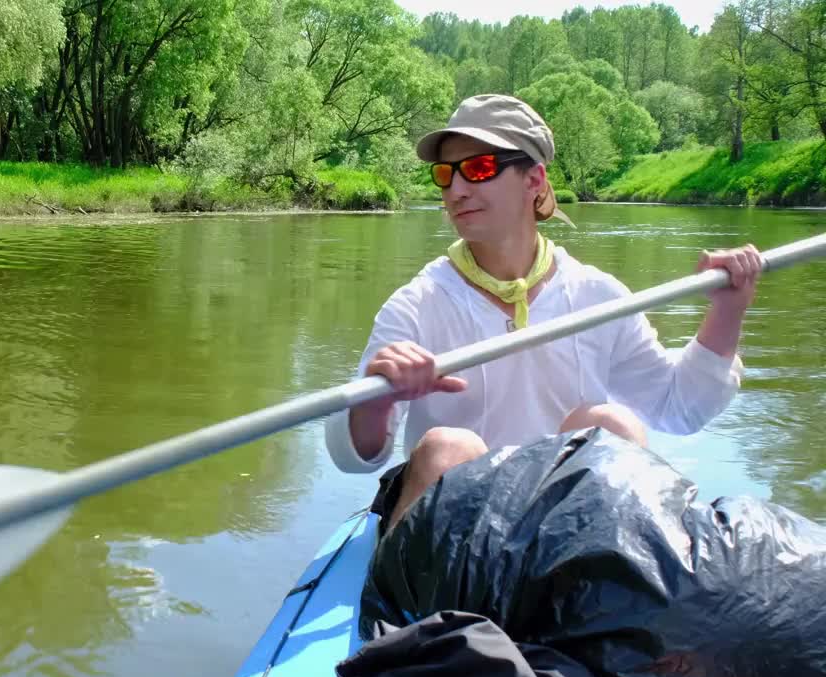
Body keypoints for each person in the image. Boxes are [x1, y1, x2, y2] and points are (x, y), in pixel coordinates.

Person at [323, 94, 763, 535]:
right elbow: (354, 456)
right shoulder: (417, 305)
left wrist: (728, 309)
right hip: (450, 546)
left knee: (608, 424)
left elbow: (677, 408)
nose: (456, 190)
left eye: (478, 169)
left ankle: (610, 590)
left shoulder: (598, 296)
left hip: (562, 539)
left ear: (534, 179)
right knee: (448, 447)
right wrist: (377, 401)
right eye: (445, 174)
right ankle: (413, 599)